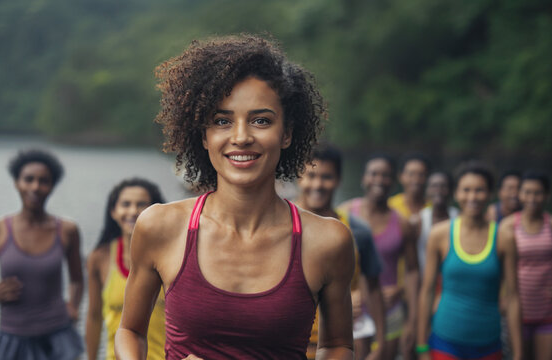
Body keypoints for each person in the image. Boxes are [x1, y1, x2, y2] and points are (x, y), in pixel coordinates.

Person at [115, 34, 355, 360]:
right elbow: (130, 331)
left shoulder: (328, 240)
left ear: (286, 133)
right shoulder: (160, 226)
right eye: (222, 121)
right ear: (203, 135)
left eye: (261, 120)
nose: (241, 137)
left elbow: (337, 345)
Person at [0, 149, 84, 360]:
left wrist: (73, 306)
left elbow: (76, 279)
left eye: (43, 181)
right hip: (13, 337)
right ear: (16, 183)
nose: (35, 187)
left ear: (52, 186)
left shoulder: (67, 230)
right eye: (28, 179)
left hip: (58, 336)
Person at [417, 161, 522, 360]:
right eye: (466, 190)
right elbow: (427, 290)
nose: (472, 197)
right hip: (445, 342)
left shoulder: (504, 238)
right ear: (456, 193)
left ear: (490, 194)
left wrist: (518, 353)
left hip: (488, 344)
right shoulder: (440, 234)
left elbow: (514, 297)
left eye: (479, 190)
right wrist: (422, 346)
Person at [296, 143, 386, 360]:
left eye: (326, 177)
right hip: (290, 344)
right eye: (311, 175)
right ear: (299, 177)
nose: (318, 184)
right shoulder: (279, 223)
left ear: (338, 180)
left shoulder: (357, 230)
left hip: (342, 345)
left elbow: (373, 288)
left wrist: (381, 344)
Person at [339, 154, 419, 360]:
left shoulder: (402, 223)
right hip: (352, 310)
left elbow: (412, 269)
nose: (379, 180)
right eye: (373, 174)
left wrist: (401, 292)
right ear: (363, 178)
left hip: (390, 310)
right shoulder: (345, 213)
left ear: (393, 181)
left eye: (385, 175)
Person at [86, 178, 166, 360]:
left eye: (141, 204)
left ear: (155, 211)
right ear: (113, 211)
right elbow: (93, 316)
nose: (133, 211)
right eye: (125, 204)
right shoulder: (100, 258)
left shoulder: (170, 256)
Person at [500, 170, 552, 360]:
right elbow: (500, 269)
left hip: (549, 309)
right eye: (527, 192)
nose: (532, 198)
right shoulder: (508, 226)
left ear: (547, 196)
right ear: (519, 194)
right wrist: (501, 296)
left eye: (537, 193)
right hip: (517, 311)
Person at [411, 171, 459, 273]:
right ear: (427, 191)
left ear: (451, 191)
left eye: (443, 186)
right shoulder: (418, 221)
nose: (438, 190)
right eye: (434, 186)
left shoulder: (459, 218)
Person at [389, 153, 431, 218]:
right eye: (411, 174)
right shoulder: (390, 205)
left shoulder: (433, 207)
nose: (416, 180)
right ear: (400, 176)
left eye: (421, 175)